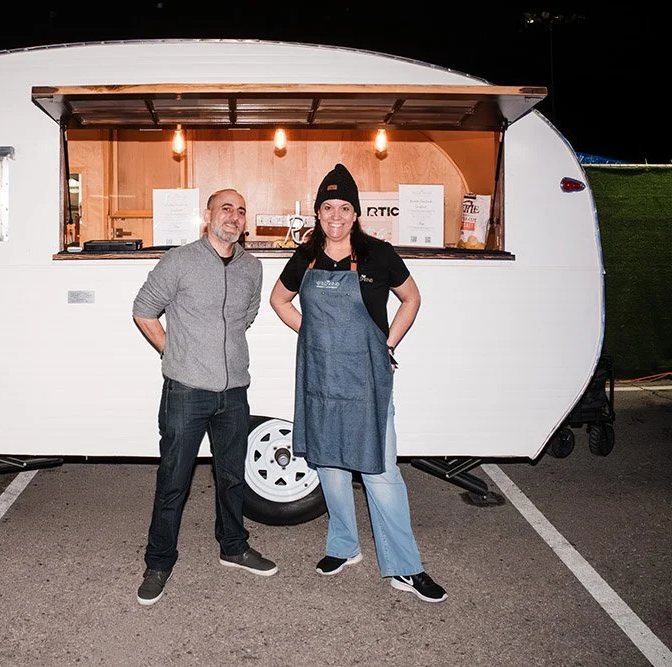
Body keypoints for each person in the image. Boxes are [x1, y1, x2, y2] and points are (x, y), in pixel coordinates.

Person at [269, 164, 447, 603]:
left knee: (381, 472)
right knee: (329, 465)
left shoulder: (379, 255)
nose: (335, 215)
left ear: (355, 213)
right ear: (318, 212)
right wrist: (307, 330)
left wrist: (387, 342)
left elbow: (412, 298)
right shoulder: (305, 256)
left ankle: (406, 566)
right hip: (321, 376)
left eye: (344, 207)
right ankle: (344, 547)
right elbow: (278, 298)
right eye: (327, 207)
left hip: (367, 377)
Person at [132, 188, 275, 606]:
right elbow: (143, 309)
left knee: (232, 478)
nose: (233, 216)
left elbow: (246, 316)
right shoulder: (179, 260)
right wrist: (172, 350)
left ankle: (233, 547)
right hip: (186, 391)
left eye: (241, 211)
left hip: (234, 392)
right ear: (208, 215)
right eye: (225, 208)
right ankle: (159, 561)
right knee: (173, 481)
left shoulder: (253, 267)